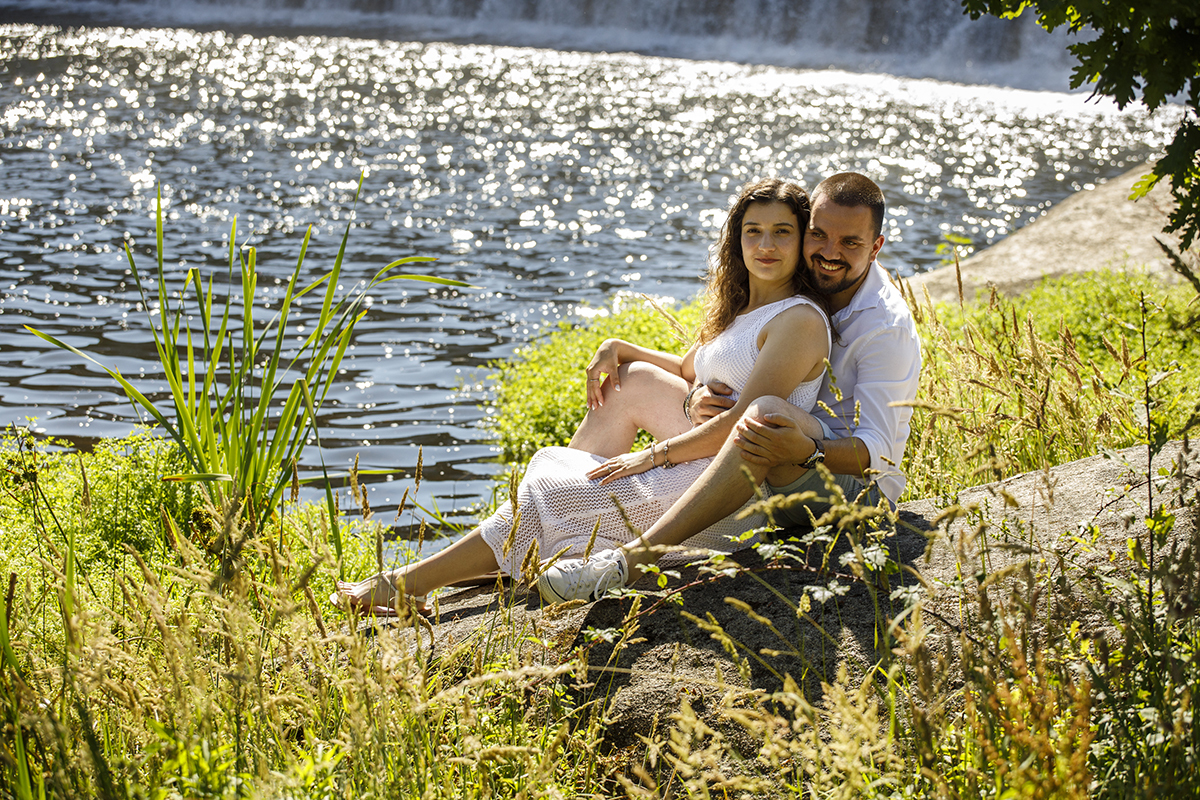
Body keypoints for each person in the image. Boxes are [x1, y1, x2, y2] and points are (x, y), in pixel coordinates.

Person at [332, 177, 832, 616]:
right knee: (629, 378)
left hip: (731, 489)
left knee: (557, 496)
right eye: (753, 232)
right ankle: (514, 547)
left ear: (801, 241)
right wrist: (615, 347)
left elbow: (746, 423)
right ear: (737, 240)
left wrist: (651, 455)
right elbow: (686, 368)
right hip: (698, 456)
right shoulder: (744, 311)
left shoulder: (798, 320)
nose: (766, 245)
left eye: (781, 232)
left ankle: (402, 585)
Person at [537, 172, 921, 604]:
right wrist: (651, 367)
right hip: (756, 447)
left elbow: (878, 456)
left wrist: (802, 450)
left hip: (843, 483)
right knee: (634, 381)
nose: (830, 252)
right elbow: (701, 367)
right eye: (818, 234)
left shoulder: (885, 327)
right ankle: (545, 520)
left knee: (764, 415)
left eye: (850, 243)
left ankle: (626, 562)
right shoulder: (802, 283)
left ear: (875, 247)